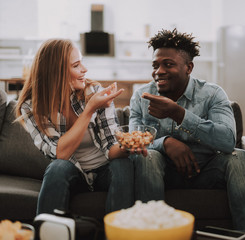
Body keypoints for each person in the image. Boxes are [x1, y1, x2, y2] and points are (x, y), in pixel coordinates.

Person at [129, 29, 245, 239]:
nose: (159, 71)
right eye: (155, 65)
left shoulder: (212, 94)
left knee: (239, 157)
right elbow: (134, 142)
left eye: (168, 64)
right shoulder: (142, 96)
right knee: (148, 157)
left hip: (207, 172)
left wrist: (178, 114)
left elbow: (228, 140)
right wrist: (164, 143)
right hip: (163, 173)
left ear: (188, 67)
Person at [15, 38, 150, 215]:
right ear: (57, 72)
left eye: (82, 63)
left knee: (122, 165)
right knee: (57, 168)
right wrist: (89, 109)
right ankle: (48, 231)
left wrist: (129, 145)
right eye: (76, 65)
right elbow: (60, 153)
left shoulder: (93, 92)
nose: (84, 70)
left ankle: (119, 231)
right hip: (73, 171)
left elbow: (111, 147)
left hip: (105, 169)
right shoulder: (32, 107)